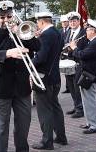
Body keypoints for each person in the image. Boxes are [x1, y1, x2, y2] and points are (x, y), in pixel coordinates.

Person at [0, 0, 40, 152]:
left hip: (22, 86)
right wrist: (9, 53)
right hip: (0, 87)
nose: (6, 20)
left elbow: (37, 46)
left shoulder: (19, 30)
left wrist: (22, 33)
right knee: (1, 127)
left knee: (24, 124)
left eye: (9, 16)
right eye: (2, 17)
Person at [31, 12, 67, 150]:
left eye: (37, 23)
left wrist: (28, 63)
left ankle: (47, 141)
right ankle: (61, 137)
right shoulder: (58, 33)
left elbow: (41, 57)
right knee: (55, 107)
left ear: (41, 22)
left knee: (44, 110)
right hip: (55, 77)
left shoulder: (46, 35)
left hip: (43, 77)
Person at [69, 19, 96, 134]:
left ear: (94, 31)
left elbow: (82, 55)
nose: (86, 31)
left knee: (90, 101)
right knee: (85, 100)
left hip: (90, 75)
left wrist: (74, 47)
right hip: (86, 73)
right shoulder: (93, 41)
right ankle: (89, 122)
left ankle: (94, 125)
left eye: (88, 29)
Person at [63, 11, 85, 118]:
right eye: (70, 21)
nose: (72, 23)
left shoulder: (83, 33)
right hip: (68, 63)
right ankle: (76, 106)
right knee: (71, 86)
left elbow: (83, 48)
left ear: (78, 21)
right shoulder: (68, 32)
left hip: (78, 63)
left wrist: (72, 50)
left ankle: (80, 109)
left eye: (74, 21)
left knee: (77, 87)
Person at [59, 14, 70, 94]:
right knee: (65, 70)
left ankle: (70, 86)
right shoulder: (59, 31)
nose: (64, 23)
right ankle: (67, 87)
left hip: (69, 52)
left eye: (65, 22)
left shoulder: (71, 30)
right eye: (62, 22)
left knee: (70, 69)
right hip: (62, 52)